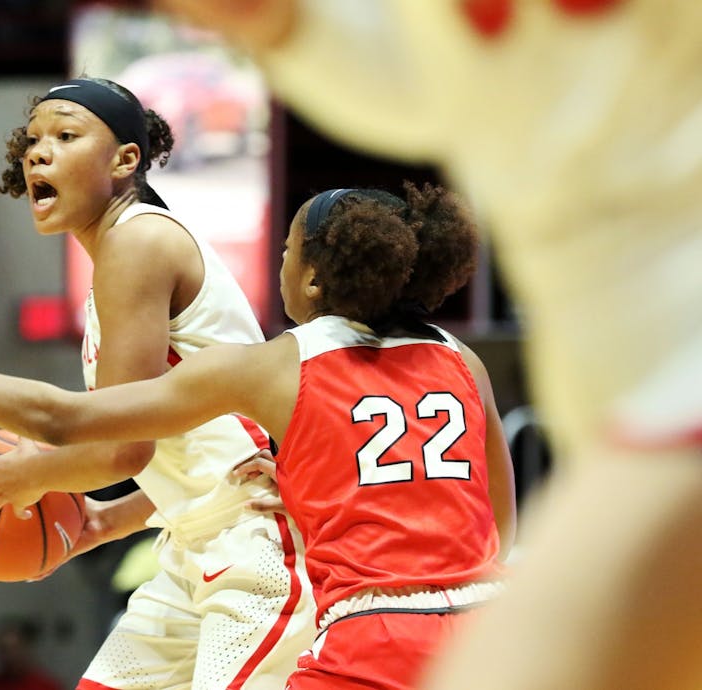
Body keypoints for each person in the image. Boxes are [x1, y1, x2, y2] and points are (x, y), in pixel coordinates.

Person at [147, 1, 702, 689]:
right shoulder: (451, 355)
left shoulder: (293, 360)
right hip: (613, 424)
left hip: (677, 390)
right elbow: (415, 85)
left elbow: (85, 424)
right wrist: (289, 29)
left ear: (314, 273)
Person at [0, 181, 518, 689]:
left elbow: (64, 421)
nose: (277, 262)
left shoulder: (272, 367)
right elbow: (501, 530)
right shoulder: (465, 362)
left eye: (285, 249)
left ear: (310, 275)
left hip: (373, 634)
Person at [0, 76, 316, 690]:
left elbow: (119, 448)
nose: (37, 152)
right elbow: (191, 448)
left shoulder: (140, 241)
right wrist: (106, 521)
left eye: (65, 135)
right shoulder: (121, 254)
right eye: (32, 141)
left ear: (124, 159)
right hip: (197, 544)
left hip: (255, 549)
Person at [0, 616, 62, 690]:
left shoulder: (48, 686)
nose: (10, 655)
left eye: (15, 648)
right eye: (3, 649)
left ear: (26, 648)